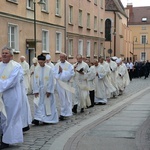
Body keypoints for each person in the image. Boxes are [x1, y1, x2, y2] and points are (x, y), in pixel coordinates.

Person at [0, 46, 23, 149]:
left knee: (9, 117)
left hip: (11, 96)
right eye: (3, 53)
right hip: (1, 95)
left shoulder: (16, 66)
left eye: (6, 53)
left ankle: (7, 140)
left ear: (11, 56)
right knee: (2, 117)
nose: (4, 55)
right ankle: (2, 136)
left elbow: (11, 82)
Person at [32, 54, 58, 125]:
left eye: (41, 62)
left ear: (45, 61)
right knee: (37, 103)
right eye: (39, 62)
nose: (40, 64)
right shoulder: (36, 69)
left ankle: (47, 119)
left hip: (46, 90)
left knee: (47, 104)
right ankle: (37, 118)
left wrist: (49, 90)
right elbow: (34, 80)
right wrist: (35, 90)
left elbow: (51, 80)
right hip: (39, 90)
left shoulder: (49, 69)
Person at [53, 53, 75, 120]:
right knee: (62, 98)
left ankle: (67, 112)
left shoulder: (69, 65)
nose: (61, 58)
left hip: (66, 84)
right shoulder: (57, 65)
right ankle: (63, 112)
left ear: (65, 58)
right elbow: (54, 73)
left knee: (67, 98)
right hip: (60, 84)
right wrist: (59, 72)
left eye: (63, 57)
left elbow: (71, 73)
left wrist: (63, 72)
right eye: (60, 57)